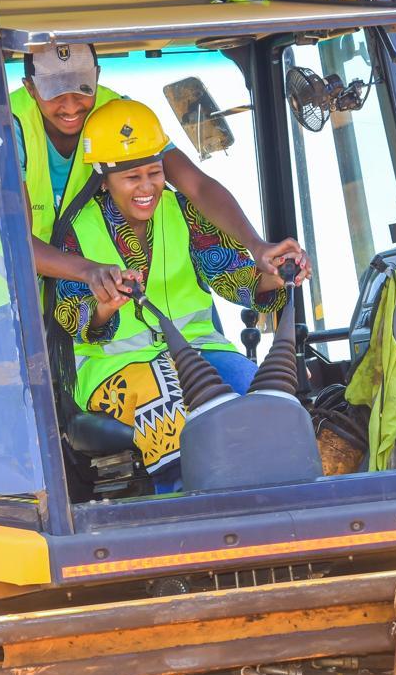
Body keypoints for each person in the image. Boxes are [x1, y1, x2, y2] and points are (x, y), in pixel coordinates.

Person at [54, 100, 311, 490]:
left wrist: (273, 276)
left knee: (265, 404)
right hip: (115, 369)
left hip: (202, 351)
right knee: (176, 420)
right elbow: (72, 317)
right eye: (131, 177)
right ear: (103, 179)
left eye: (154, 173)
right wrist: (104, 308)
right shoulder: (75, 229)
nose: (147, 187)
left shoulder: (185, 211)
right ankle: (185, 520)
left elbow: (230, 276)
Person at [0, 42, 310, 311]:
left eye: (82, 88)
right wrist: (90, 270)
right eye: (54, 91)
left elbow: (195, 184)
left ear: (97, 77)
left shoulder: (118, 113)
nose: (70, 105)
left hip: (57, 253)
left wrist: (256, 246)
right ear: (30, 86)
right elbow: (15, 239)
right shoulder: (5, 129)